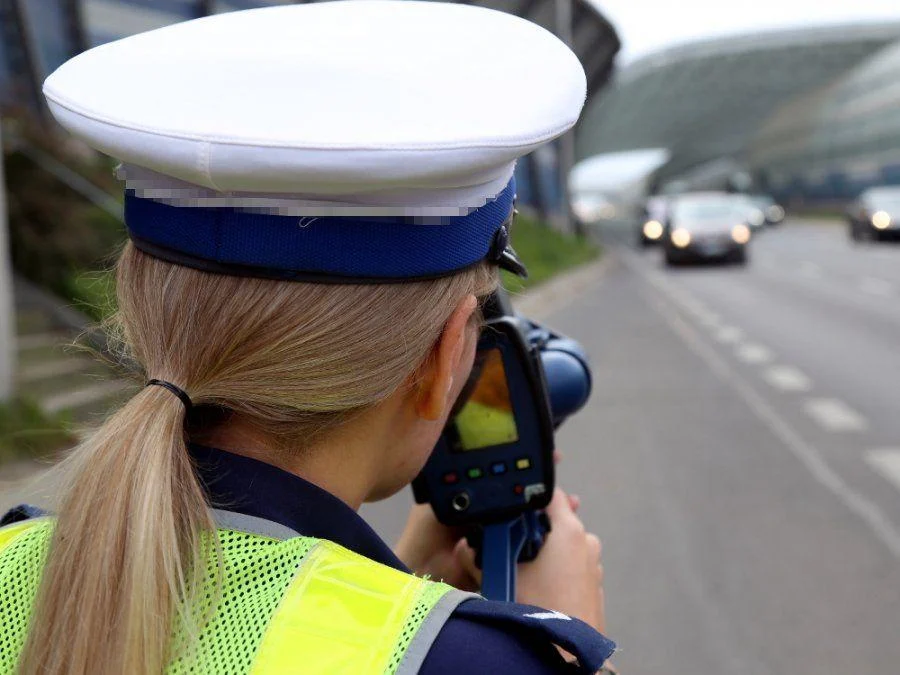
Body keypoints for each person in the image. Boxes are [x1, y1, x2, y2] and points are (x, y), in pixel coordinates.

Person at [0, 2, 616, 673]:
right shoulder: (478, 663)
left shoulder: (14, 565)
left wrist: (394, 581)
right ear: (444, 358)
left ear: (148, 314)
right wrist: (555, 650)